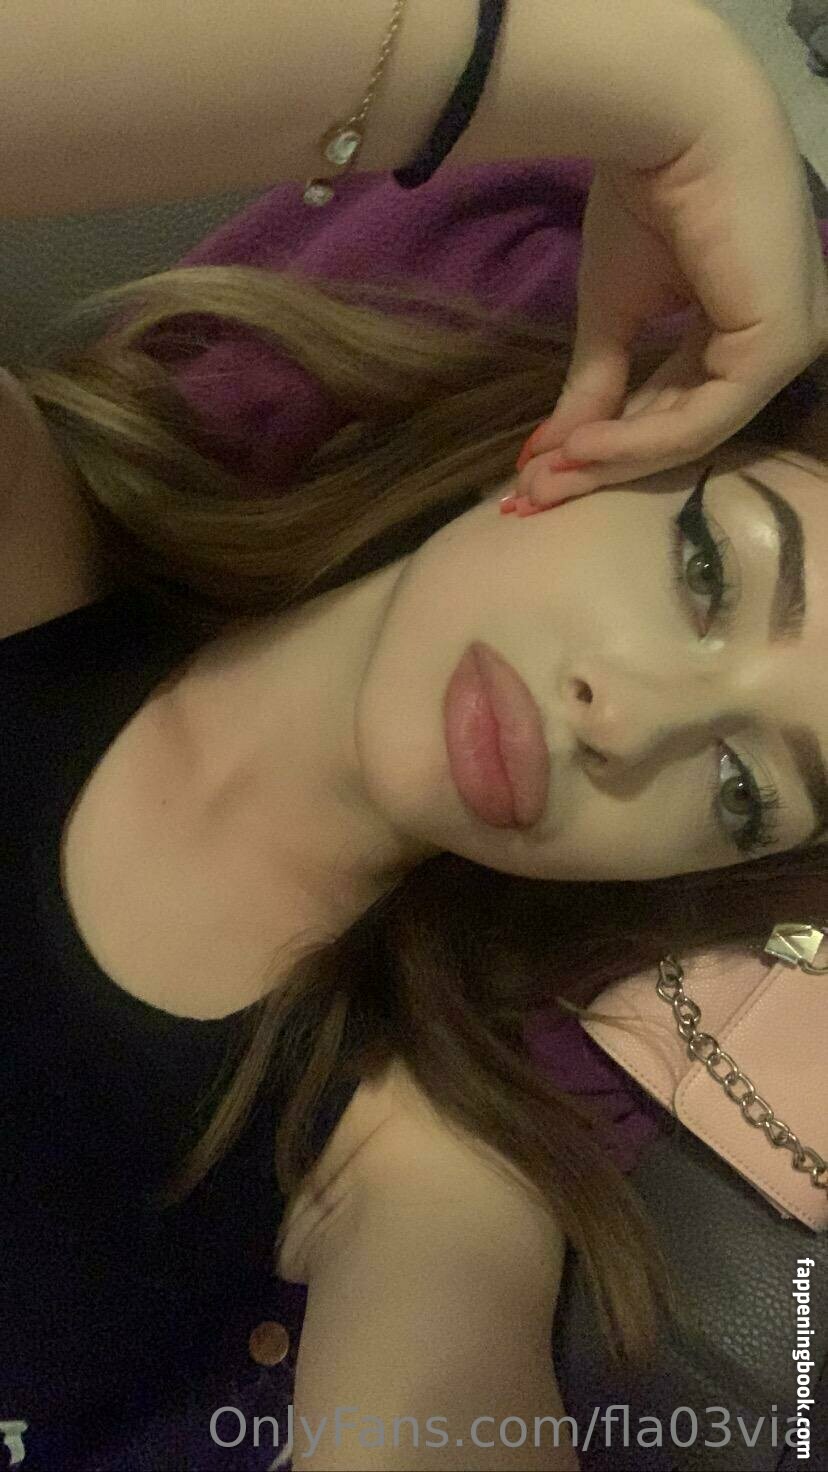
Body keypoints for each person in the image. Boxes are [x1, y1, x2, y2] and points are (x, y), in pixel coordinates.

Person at [1, 3, 827, 1470]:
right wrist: (666, 84)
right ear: (607, 422)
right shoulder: (27, 550)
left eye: (740, 784)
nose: (631, 727)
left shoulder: (415, 1151)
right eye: (710, 573)